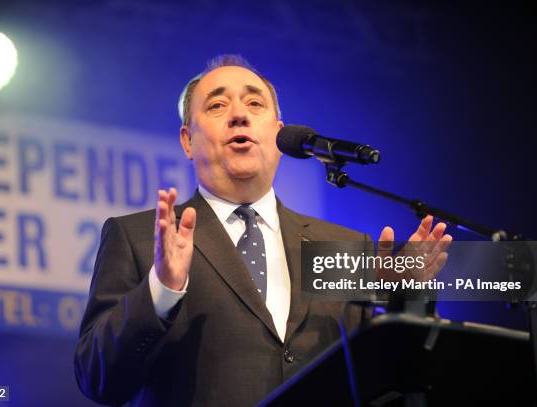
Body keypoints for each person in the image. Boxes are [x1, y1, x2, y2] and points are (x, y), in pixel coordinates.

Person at [74, 55, 452, 406]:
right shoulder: (140, 239)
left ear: (279, 134)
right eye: (217, 105)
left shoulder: (339, 248)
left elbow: (391, 381)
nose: (239, 114)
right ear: (188, 141)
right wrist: (161, 290)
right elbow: (98, 379)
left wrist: (405, 292)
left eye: (255, 104)